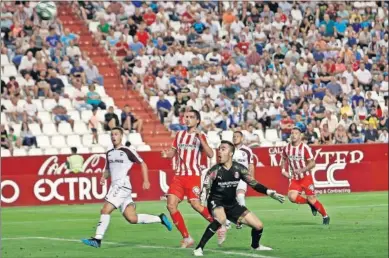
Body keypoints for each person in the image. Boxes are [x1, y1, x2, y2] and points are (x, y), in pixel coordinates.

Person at [81, 127, 172, 248]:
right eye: (112, 134)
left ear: (121, 136)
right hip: (116, 186)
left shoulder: (128, 151)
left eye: (116, 134)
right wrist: (104, 177)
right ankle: (160, 218)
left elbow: (142, 163)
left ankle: (97, 239)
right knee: (132, 218)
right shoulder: (109, 153)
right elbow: (108, 169)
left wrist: (146, 180)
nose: (114, 136)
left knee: (105, 210)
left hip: (122, 185)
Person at [193, 141, 285, 256]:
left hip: (232, 204)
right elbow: (206, 186)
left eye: (223, 149)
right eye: (219, 149)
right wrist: (203, 196)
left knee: (259, 226)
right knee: (221, 219)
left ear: (231, 153)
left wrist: (269, 192)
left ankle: (255, 246)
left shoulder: (239, 168)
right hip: (216, 202)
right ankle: (199, 248)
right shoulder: (214, 170)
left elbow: (253, 183)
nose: (219, 152)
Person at [161, 110, 215, 248]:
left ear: (197, 121)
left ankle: (217, 224)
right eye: (186, 117)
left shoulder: (200, 136)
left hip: (193, 175)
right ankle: (187, 238)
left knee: (195, 204)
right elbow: (173, 153)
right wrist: (167, 155)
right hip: (179, 176)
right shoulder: (179, 135)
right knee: (171, 205)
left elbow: (210, 154)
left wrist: (201, 139)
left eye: (191, 117)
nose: (188, 119)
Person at [280, 127, 330, 225]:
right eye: (292, 133)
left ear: (300, 136)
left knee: (312, 199)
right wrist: (283, 170)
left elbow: (313, 163)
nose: (293, 135)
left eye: (296, 133)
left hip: (306, 177)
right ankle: (309, 203)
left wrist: (302, 170)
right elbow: (283, 159)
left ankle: (325, 216)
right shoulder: (287, 148)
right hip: (295, 178)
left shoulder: (305, 148)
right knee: (291, 197)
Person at [223, 131, 255, 233]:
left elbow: (251, 165)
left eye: (237, 136)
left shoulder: (247, 150)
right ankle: (227, 221)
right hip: (230, 178)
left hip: (242, 178)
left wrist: (252, 179)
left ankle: (241, 220)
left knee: (240, 196)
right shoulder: (229, 150)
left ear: (242, 138)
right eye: (234, 136)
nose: (235, 138)